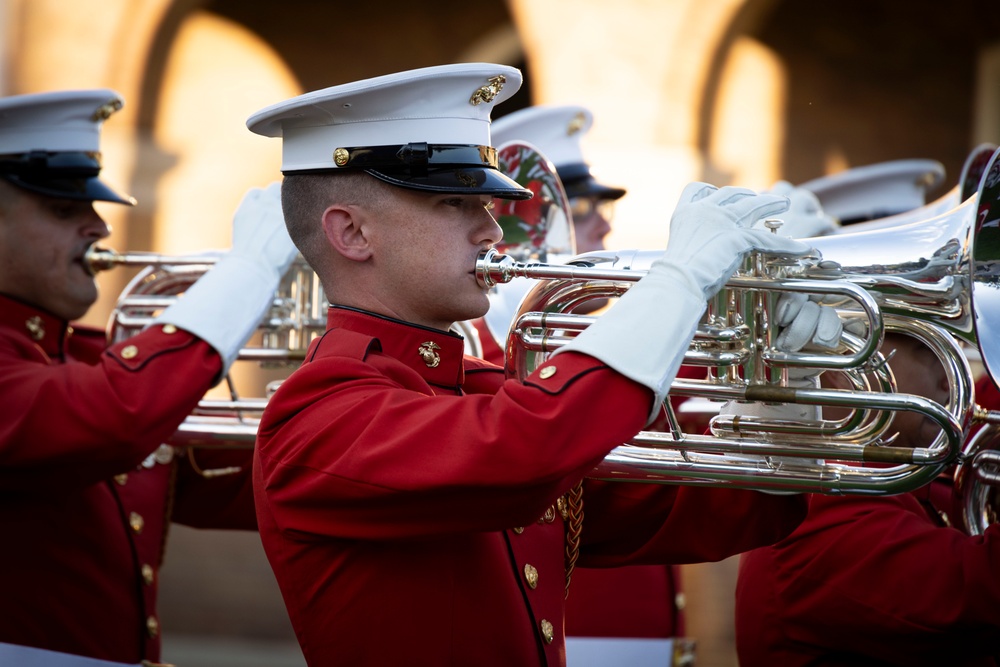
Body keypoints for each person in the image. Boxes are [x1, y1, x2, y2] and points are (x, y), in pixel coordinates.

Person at [246, 62, 846, 667]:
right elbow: (531, 442)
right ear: (351, 233)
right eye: (455, 204)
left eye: (487, 203)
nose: (492, 230)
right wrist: (679, 280)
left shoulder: (475, 387)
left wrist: (783, 394)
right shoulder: (316, 415)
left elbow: (723, 512)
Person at [0, 89, 298, 666]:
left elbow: (263, 487)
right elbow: (115, 416)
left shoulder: (80, 362)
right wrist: (246, 274)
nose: (98, 226)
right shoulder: (92, 382)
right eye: (64, 211)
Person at [471, 103, 693, 665]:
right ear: (524, 222)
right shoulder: (484, 347)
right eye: (582, 207)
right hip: (573, 628)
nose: (604, 225)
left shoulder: (584, 332)